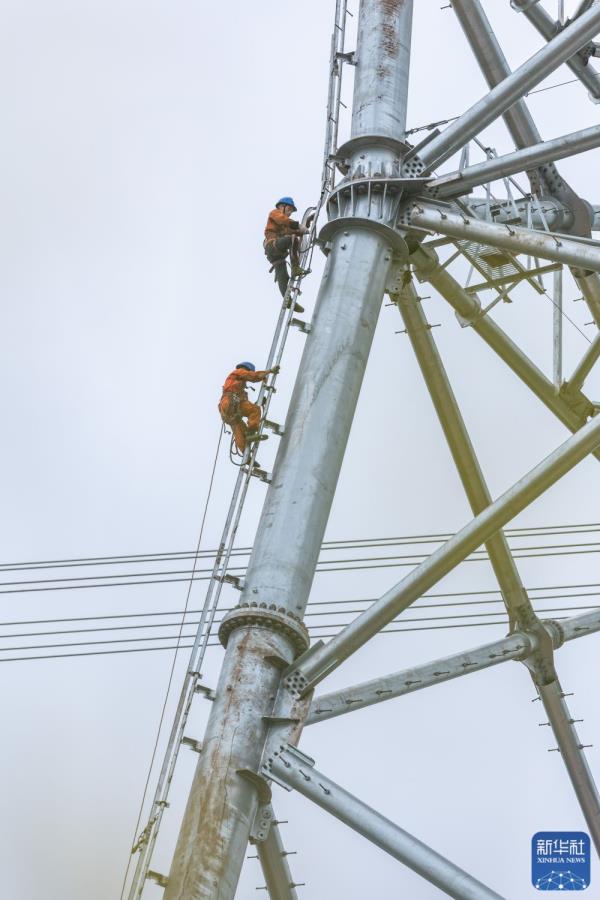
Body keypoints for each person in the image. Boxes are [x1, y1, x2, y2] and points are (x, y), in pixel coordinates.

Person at [218, 361, 279, 454]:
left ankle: (246, 454)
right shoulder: (239, 371)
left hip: (226, 408)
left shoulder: (237, 388)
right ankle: (251, 432)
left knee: (239, 429)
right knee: (255, 410)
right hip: (230, 402)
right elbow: (253, 376)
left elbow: (245, 404)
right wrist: (269, 371)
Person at [263, 197, 310, 307]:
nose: (290, 213)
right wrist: (298, 225)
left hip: (275, 253)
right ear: (281, 206)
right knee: (292, 239)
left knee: (282, 275)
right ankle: (295, 267)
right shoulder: (275, 213)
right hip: (272, 245)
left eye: (291, 211)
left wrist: (305, 228)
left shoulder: (284, 226)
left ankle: (287, 301)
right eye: (289, 209)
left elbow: (293, 230)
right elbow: (284, 220)